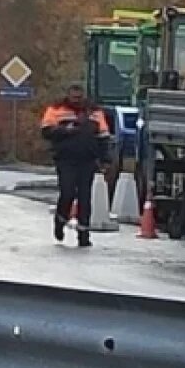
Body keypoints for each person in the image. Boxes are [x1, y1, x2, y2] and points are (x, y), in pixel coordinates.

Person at [40, 83, 110, 248]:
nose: (77, 100)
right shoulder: (56, 109)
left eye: (79, 97)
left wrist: (105, 159)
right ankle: (60, 219)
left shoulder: (95, 112)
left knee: (85, 198)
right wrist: (66, 131)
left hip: (87, 160)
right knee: (67, 192)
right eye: (74, 97)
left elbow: (103, 136)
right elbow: (46, 131)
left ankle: (83, 234)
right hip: (65, 159)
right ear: (68, 95)